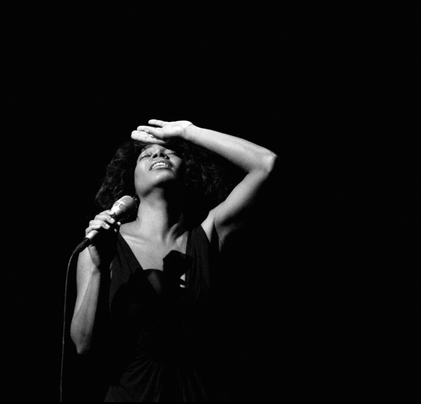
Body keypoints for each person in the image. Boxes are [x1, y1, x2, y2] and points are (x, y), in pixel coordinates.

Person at [68, 119, 278, 402]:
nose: (158, 153)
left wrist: (187, 131)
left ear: (187, 173)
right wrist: (96, 266)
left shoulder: (209, 234)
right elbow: (83, 345)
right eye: (145, 155)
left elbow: (265, 163)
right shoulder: (102, 245)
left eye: (171, 152)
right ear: (131, 182)